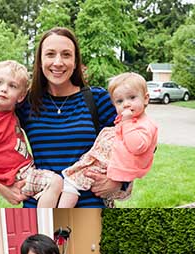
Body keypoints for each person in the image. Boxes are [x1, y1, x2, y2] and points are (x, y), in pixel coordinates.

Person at [0, 27, 121, 208]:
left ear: (75, 61)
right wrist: (2, 187)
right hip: (39, 205)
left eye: (66, 55)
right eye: (50, 54)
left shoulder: (97, 99)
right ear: (39, 61)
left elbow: (140, 140)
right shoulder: (26, 103)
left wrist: (118, 181)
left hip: (90, 205)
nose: (58, 62)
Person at [0, 60, 63, 208]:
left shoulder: (11, 112)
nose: (4, 89)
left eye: (12, 86)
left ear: (21, 97)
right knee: (56, 182)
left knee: (60, 192)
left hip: (29, 169)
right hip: (18, 176)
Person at [59, 72, 158, 207]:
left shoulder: (139, 123)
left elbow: (139, 147)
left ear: (146, 98)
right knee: (71, 183)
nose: (126, 104)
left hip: (107, 170)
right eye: (120, 101)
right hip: (105, 166)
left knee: (71, 183)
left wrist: (118, 182)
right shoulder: (130, 119)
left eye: (132, 97)